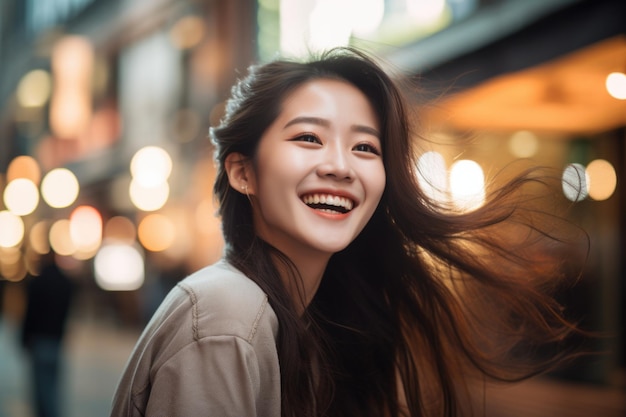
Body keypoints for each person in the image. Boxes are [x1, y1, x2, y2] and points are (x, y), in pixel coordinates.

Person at [110, 47, 585, 417]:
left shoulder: (315, 321)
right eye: (308, 138)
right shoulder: (225, 314)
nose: (339, 166)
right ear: (243, 172)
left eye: (364, 146)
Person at [21, 251, 75, 417]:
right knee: (52, 387)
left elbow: (30, 313)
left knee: (41, 390)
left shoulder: (37, 283)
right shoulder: (65, 283)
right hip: (56, 341)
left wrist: (24, 337)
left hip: (39, 340)